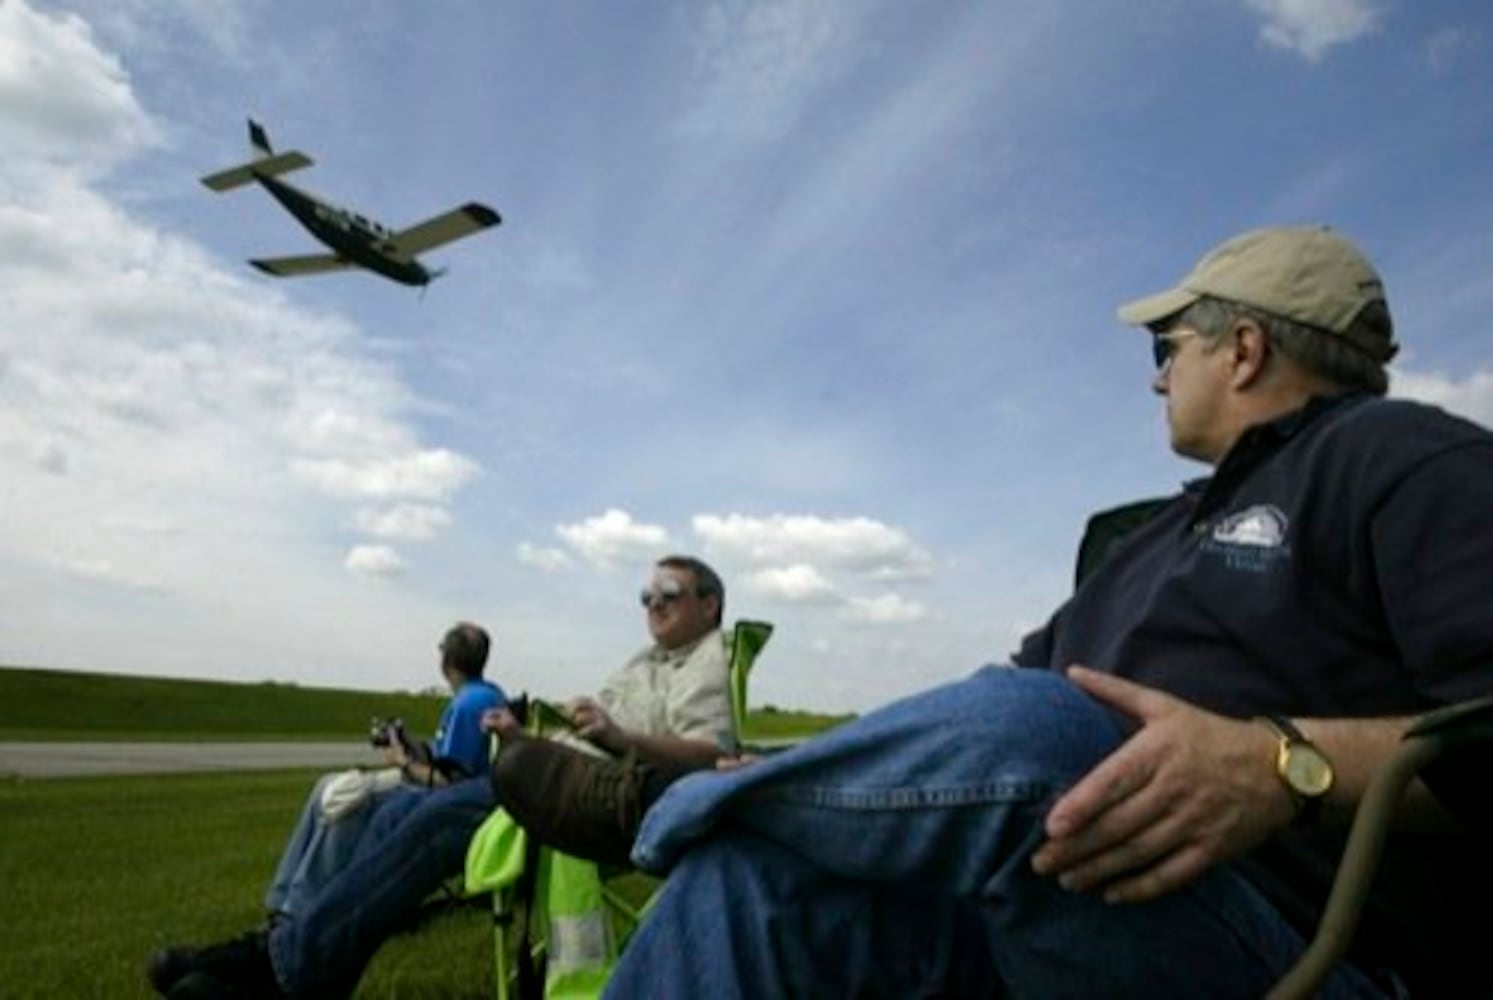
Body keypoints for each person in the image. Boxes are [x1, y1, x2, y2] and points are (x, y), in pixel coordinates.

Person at [597, 226, 1493, 998]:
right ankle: (723, 802)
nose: (1155, 382)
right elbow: (982, 713)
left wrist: (1279, 766)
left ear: (1245, 349)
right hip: (1064, 905)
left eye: (1166, 349)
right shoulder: (1157, 534)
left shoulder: (1402, 457)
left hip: (1295, 948)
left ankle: (671, 799)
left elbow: (1015, 735)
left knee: (1037, 729)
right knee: (749, 882)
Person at [148, 555, 736, 999]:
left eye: (669, 593)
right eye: (645, 595)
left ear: (708, 605)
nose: (652, 604)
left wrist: (619, 737)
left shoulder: (709, 658)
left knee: (435, 815)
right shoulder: (645, 662)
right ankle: (299, 964)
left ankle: (277, 967)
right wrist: (520, 740)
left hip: (602, 802)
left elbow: (711, 755)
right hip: (555, 778)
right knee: (394, 810)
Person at [262, 621, 505, 919]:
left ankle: (303, 905)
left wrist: (402, 762)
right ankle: (285, 897)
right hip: (443, 793)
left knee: (345, 795)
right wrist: (412, 746)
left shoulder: (468, 704)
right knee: (326, 785)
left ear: (448, 662)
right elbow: (448, 759)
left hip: (444, 802)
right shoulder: (486, 694)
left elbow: (449, 783)